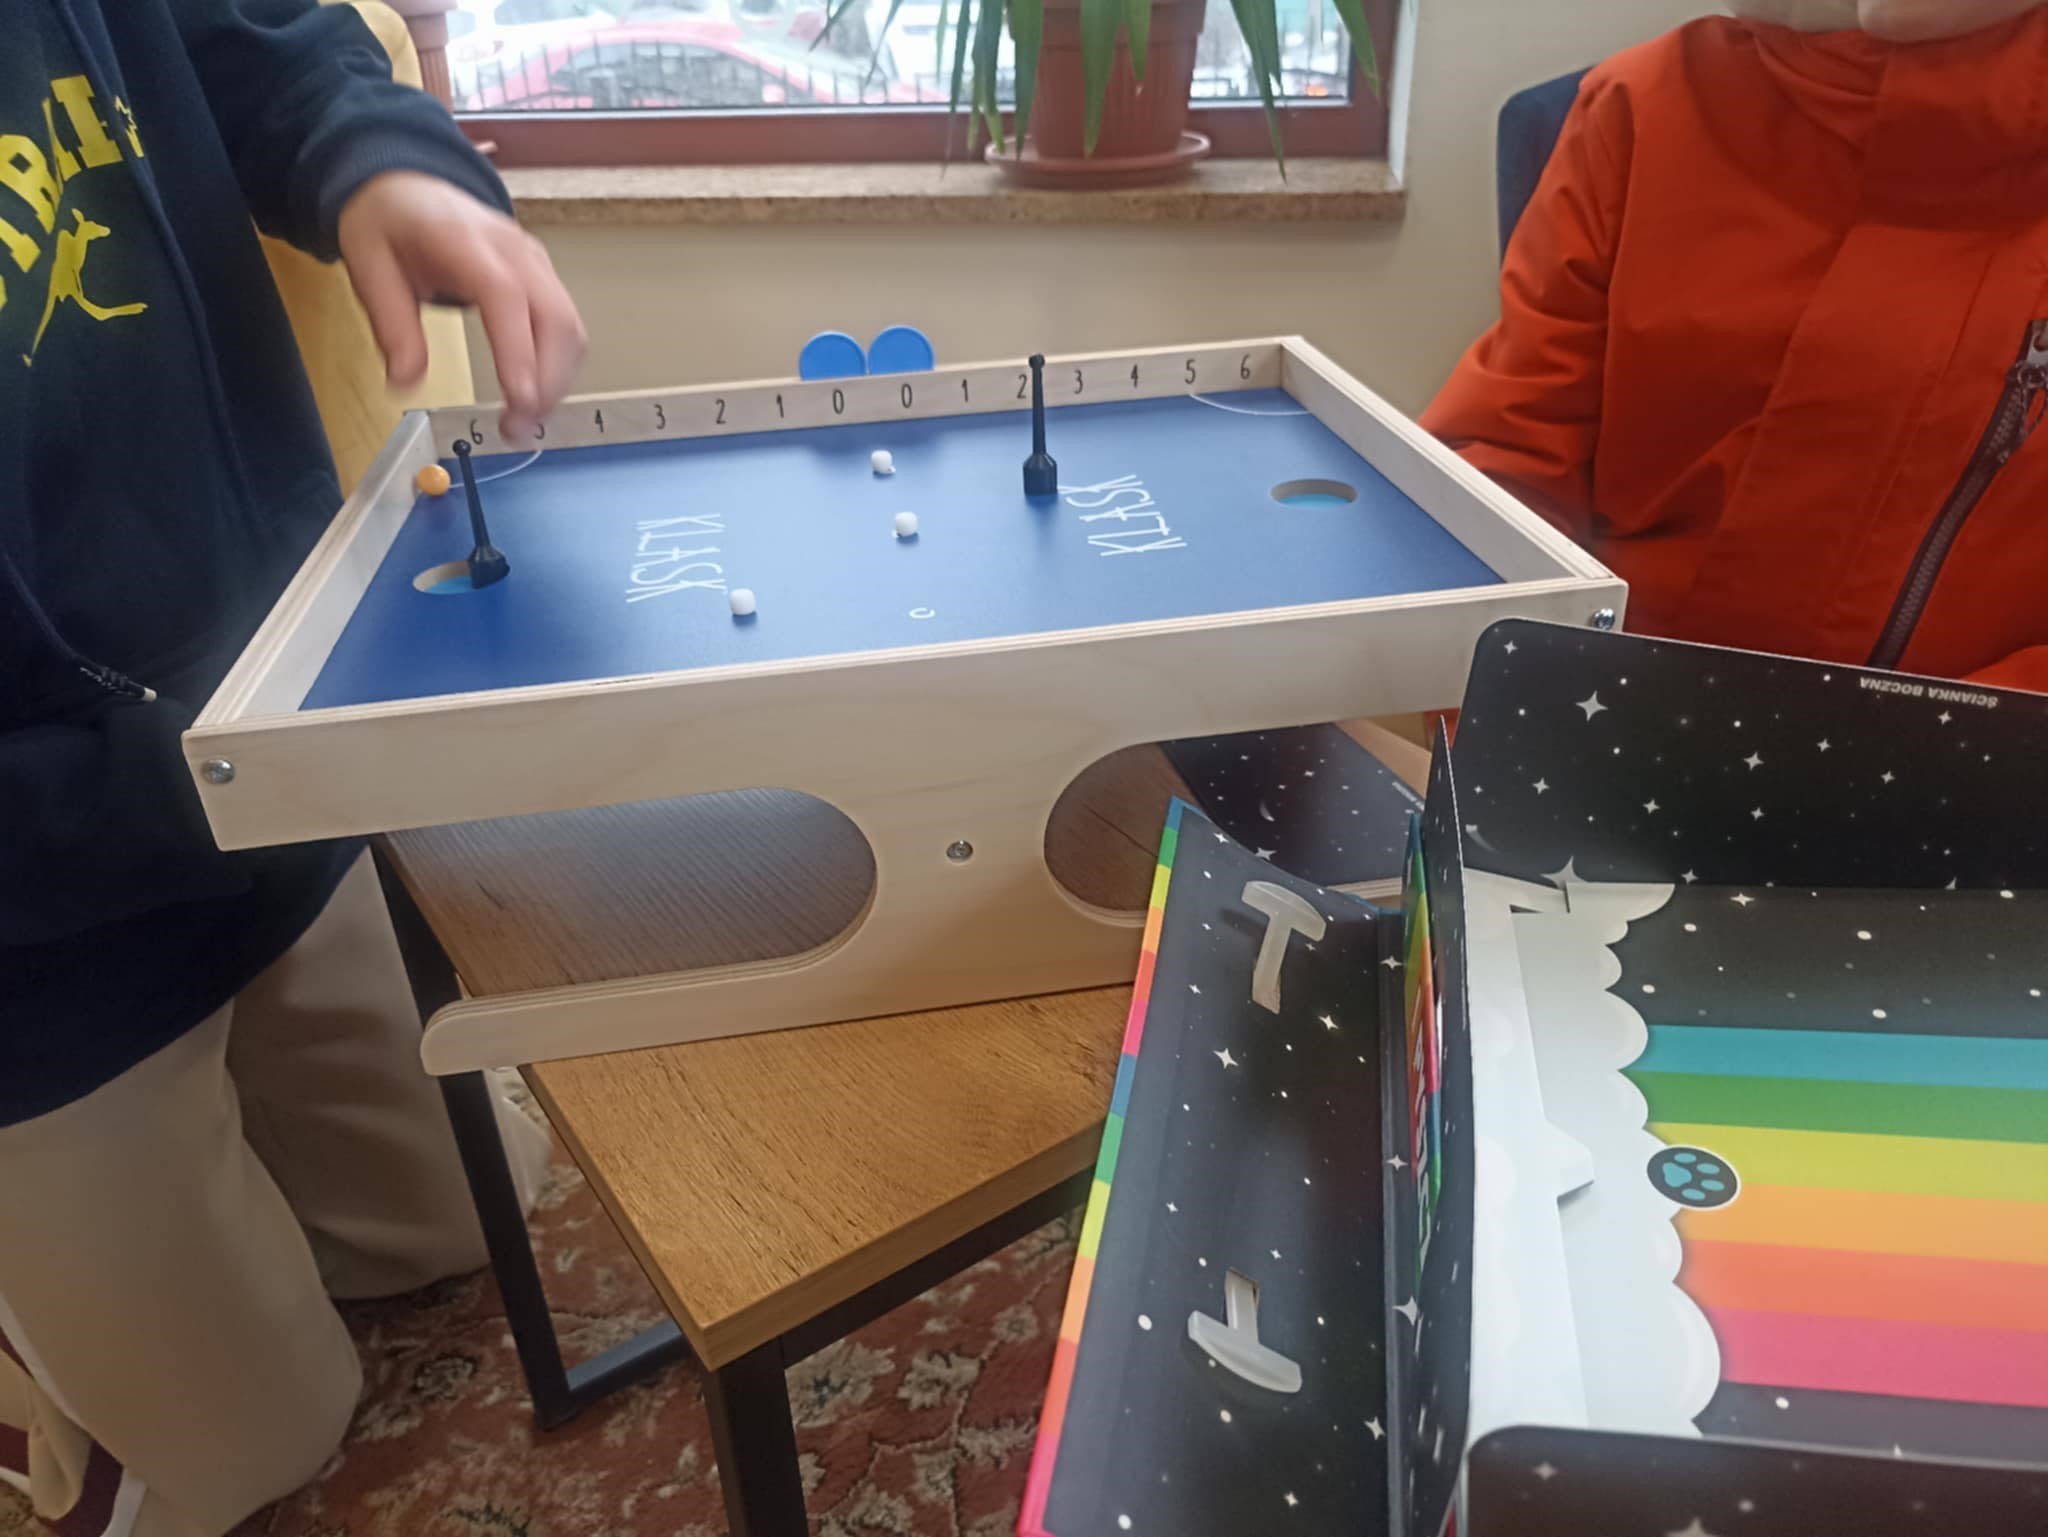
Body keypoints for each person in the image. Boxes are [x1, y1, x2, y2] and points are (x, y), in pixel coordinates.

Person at [0, 3, 586, 1533]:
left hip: (257, 729)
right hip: (34, 948)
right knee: (257, 1446)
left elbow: (254, 33)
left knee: (472, 1214)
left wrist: (374, 156)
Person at [1422, 0, 2048, 689]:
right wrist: (1498, 710)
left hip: (1966, 741)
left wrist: (1958, 745)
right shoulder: (1645, 108)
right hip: (1604, 704)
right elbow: (1504, 472)